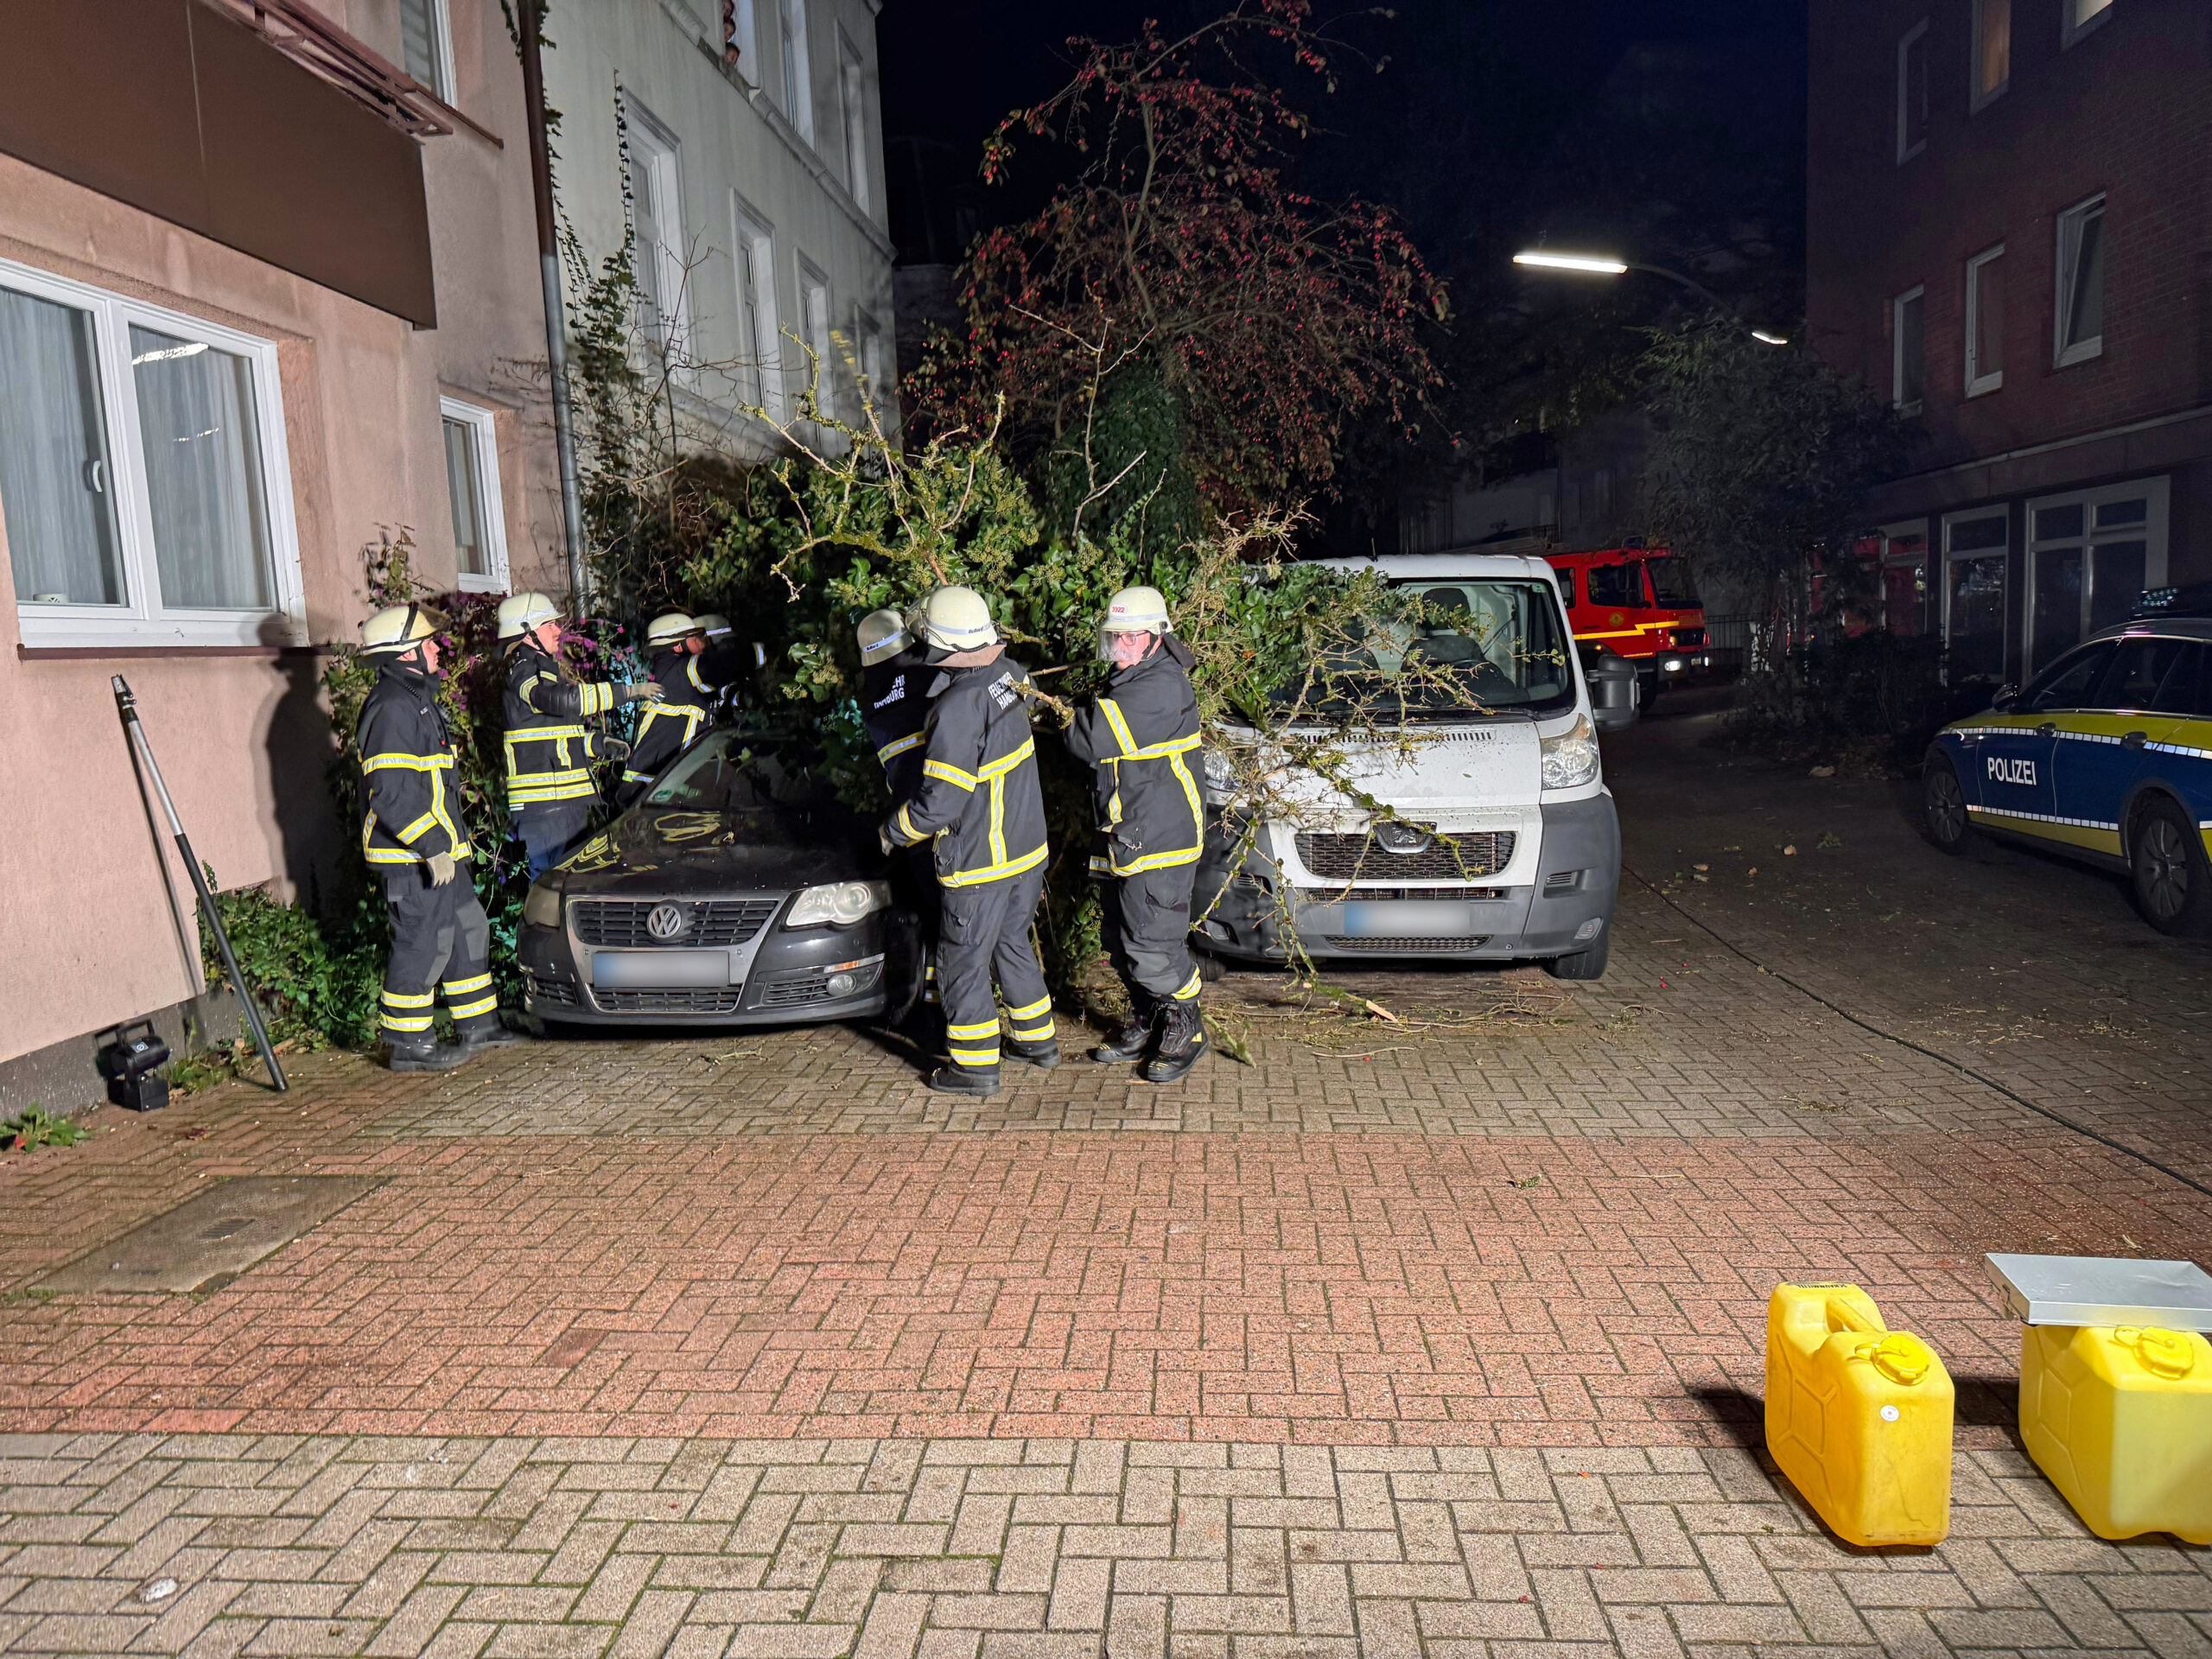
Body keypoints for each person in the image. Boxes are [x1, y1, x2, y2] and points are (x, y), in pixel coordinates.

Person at [882, 587, 1057, 1094]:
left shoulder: (957, 708)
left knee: (962, 961)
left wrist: (892, 832)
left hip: (982, 862)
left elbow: (940, 804)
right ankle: (1038, 1041)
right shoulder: (1011, 675)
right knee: (1011, 941)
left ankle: (974, 1067)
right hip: (1026, 852)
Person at [356, 602, 519, 1071]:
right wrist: (430, 847)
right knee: (423, 942)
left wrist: (445, 847)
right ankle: (408, 1045)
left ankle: (478, 1025)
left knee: (468, 930)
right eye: (427, 643)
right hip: (414, 858)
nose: (436, 649)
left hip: (442, 853)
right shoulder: (392, 708)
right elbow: (390, 794)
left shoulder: (416, 700)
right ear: (406, 653)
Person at [1066, 585, 1209, 1083]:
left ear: (1156, 638)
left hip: (1160, 837)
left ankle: (1186, 1027)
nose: (1121, 646)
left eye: (1131, 637)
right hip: (1126, 832)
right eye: (1116, 637)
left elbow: (1092, 738)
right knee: (1120, 938)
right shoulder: (1132, 676)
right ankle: (1152, 1017)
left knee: (1152, 942)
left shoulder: (1161, 686)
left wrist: (1061, 715)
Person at [499, 591, 660, 878]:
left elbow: (551, 738)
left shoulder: (543, 672)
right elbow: (563, 701)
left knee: (571, 886)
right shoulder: (523, 672)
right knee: (554, 888)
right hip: (546, 810)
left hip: (561, 807)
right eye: (549, 624)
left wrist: (598, 744)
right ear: (527, 632)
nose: (558, 630)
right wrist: (627, 692)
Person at [859, 607, 938, 1014]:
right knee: (955, 919)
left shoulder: (871, 696)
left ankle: (929, 1002)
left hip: (908, 820)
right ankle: (950, 1004)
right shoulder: (925, 671)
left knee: (931, 913)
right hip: (944, 809)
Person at [617, 612, 718, 806]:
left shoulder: (669, 676)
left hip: (650, 790)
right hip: (657, 793)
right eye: (695, 638)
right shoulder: (681, 672)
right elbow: (724, 665)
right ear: (679, 646)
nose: (702, 644)